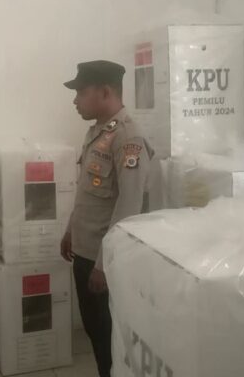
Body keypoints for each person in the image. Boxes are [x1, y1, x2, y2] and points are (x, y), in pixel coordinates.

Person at [60, 60, 154, 377]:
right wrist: (70, 230)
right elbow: (88, 190)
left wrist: (104, 263)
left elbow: (129, 206)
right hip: (85, 251)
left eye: (81, 92)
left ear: (105, 92)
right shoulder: (99, 132)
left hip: (103, 260)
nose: (75, 100)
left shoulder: (128, 137)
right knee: (95, 332)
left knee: (108, 339)